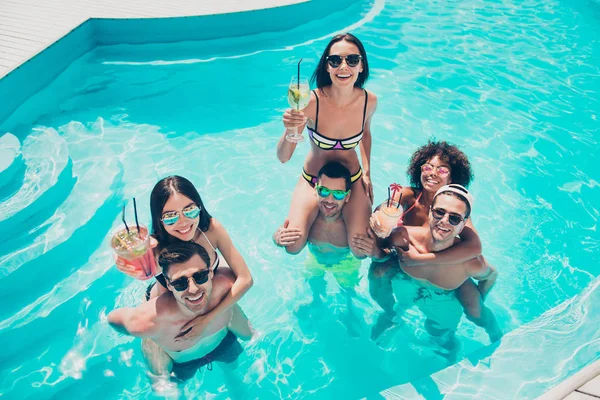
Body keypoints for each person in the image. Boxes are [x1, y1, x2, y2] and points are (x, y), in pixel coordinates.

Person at [369, 141, 497, 339]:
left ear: (454, 177)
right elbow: (388, 206)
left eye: (442, 170)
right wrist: (381, 216)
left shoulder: (458, 210)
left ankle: (495, 334)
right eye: (428, 167)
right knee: (378, 271)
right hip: (410, 258)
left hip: (447, 264)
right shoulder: (409, 196)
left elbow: (475, 247)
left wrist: (421, 260)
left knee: (474, 308)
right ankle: (389, 313)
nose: (432, 173)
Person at [277, 33, 378, 259]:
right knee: (292, 246)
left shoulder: (368, 101)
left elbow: (366, 133)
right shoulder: (311, 102)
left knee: (360, 250)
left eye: (352, 60)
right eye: (335, 60)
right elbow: (283, 157)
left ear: (361, 66)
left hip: (351, 179)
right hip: (314, 179)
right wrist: (289, 130)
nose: (344, 66)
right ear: (327, 66)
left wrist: (368, 172)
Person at [108, 241, 253, 382]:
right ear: (169, 285)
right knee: (162, 385)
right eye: (180, 283)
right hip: (182, 363)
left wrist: (210, 318)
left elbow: (241, 273)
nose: (193, 289)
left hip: (222, 344)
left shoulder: (226, 286)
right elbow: (112, 319)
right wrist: (152, 334)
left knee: (234, 368)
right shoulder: (149, 321)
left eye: (200, 276)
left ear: (210, 273)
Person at [273, 162, 383, 335]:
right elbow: (284, 232)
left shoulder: (350, 226)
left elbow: (377, 251)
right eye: (324, 192)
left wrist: (374, 247)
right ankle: (316, 301)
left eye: (338, 194)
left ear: (347, 197)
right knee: (315, 285)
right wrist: (277, 238)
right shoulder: (308, 219)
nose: (330, 200)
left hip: (346, 263)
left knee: (348, 289)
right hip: (315, 260)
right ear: (316, 190)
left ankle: (350, 309)